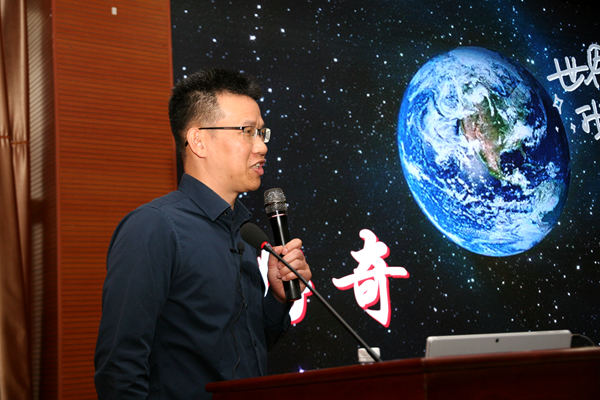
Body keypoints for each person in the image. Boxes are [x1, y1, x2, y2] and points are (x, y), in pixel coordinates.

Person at [94, 68, 312, 399]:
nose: (261, 146)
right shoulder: (154, 227)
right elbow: (119, 369)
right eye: (247, 132)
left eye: (262, 133)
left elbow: (242, 351)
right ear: (198, 141)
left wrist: (278, 300)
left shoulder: (242, 232)